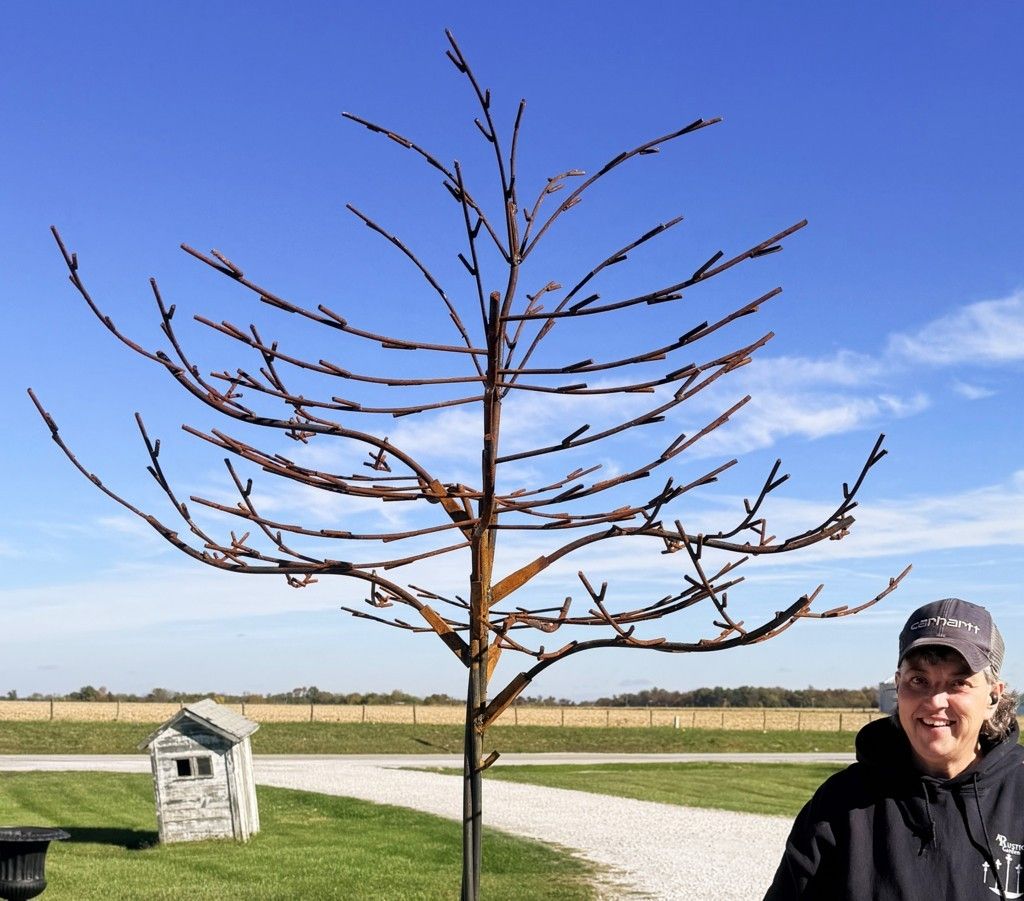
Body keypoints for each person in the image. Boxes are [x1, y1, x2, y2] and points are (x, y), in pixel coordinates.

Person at [764, 598, 1022, 900]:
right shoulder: (841, 804)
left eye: (958, 683)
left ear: (993, 697)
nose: (935, 701)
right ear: (898, 686)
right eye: (918, 680)